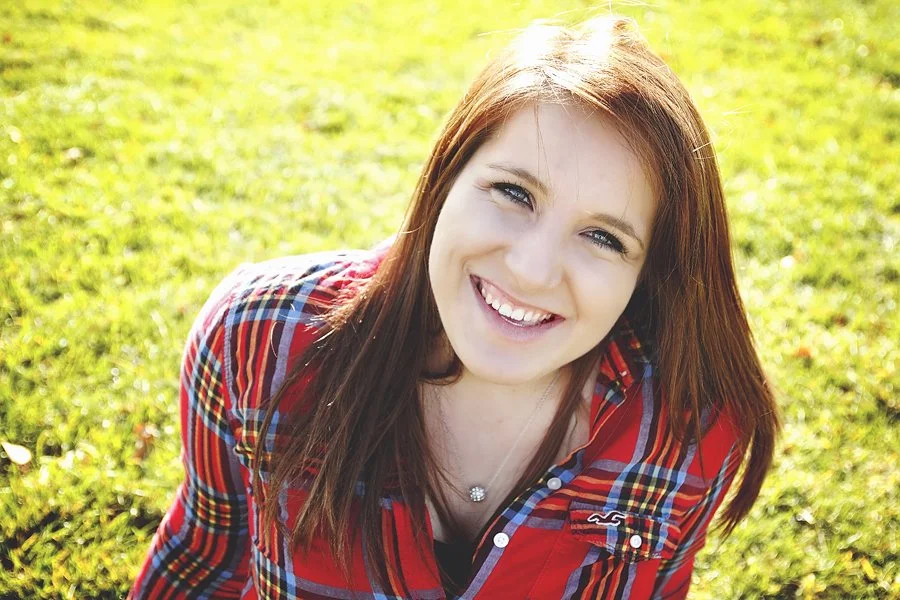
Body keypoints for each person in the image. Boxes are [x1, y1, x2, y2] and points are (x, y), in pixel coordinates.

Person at [129, 14, 779, 600]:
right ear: (446, 180)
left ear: (647, 276)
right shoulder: (256, 340)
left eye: (604, 237)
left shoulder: (690, 429)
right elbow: (201, 562)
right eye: (513, 192)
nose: (530, 269)